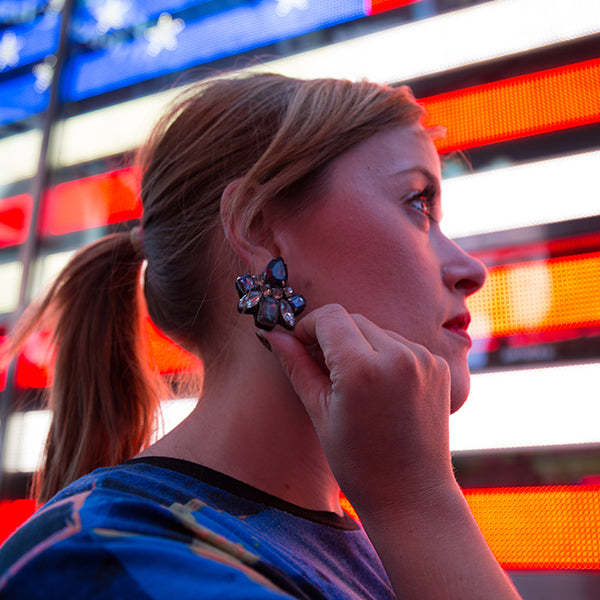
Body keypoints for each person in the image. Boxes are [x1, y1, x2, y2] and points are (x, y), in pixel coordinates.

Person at [0, 72, 522, 599]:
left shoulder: (384, 553)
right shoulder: (107, 557)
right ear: (257, 229)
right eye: (417, 202)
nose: (469, 268)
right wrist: (420, 501)